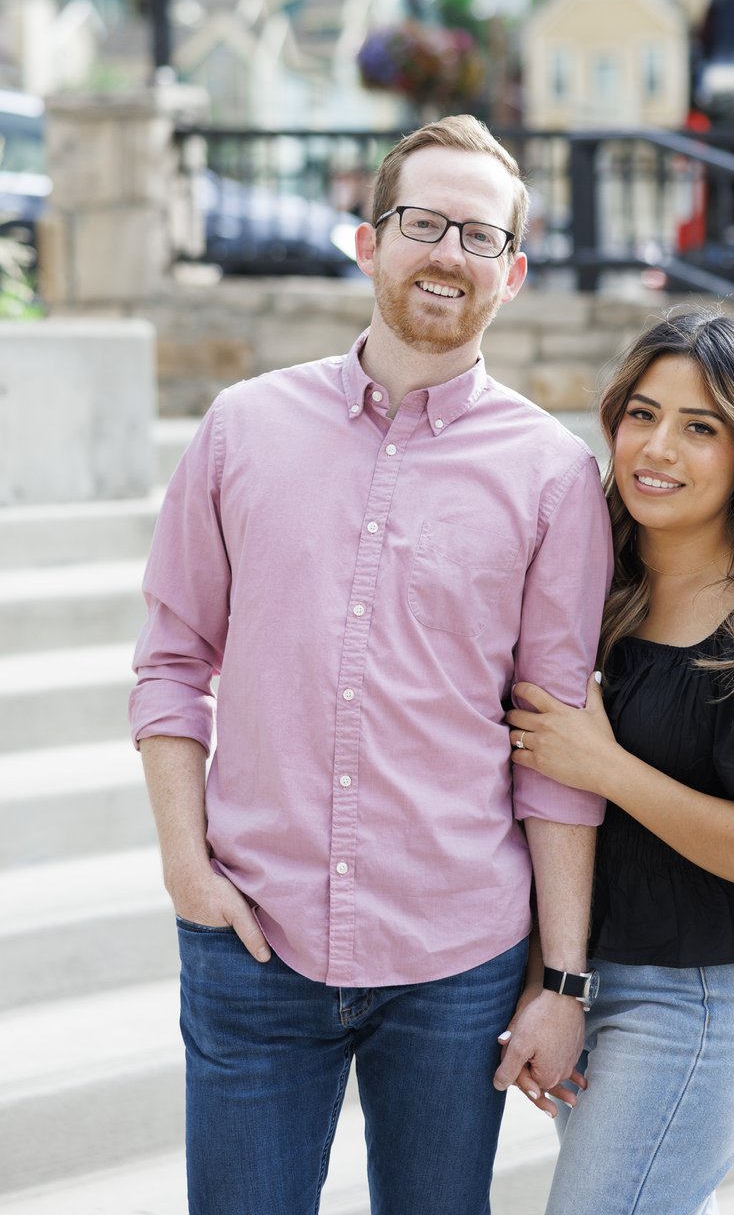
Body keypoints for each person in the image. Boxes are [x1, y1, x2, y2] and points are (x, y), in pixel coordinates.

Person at [129, 114, 614, 1215]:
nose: (447, 252)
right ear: (368, 238)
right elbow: (170, 660)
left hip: (458, 957)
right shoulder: (241, 428)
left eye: (477, 235)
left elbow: (557, 744)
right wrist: (185, 871)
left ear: (513, 271)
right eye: (422, 221)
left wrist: (562, 977)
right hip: (251, 940)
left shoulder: (550, 476)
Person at [505, 310, 734, 1215]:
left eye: (700, 427)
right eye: (641, 414)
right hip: (586, 979)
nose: (657, 448)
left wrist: (610, 767)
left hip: (698, 1006)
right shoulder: (590, 589)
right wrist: (555, 980)